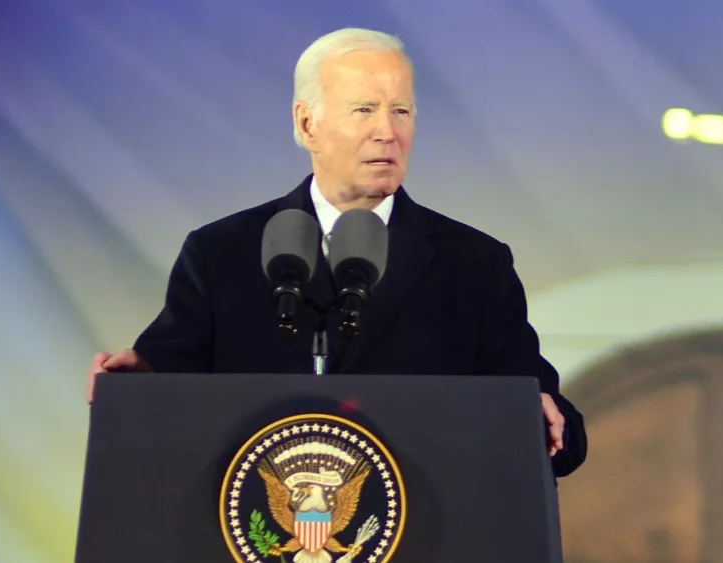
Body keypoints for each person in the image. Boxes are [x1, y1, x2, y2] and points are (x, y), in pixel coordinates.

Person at [86, 27, 587, 477]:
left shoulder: (475, 264)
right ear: (306, 125)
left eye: (401, 111)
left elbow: (555, 428)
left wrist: (545, 421)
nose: (387, 131)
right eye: (364, 109)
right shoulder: (222, 254)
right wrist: (135, 384)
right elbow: (164, 398)